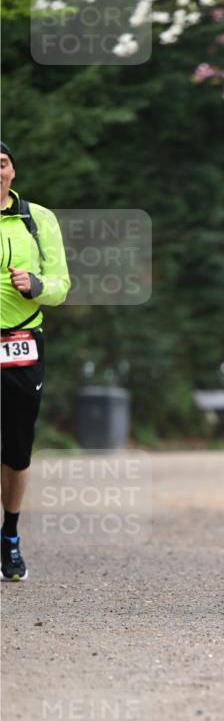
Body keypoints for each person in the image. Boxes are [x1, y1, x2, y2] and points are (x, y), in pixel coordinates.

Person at [1, 141, 70, 581]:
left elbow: (62, 285)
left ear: (12, 171)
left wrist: (36, 284)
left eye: (2, 162)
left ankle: (10, 538)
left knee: (16, 449)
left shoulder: (37, 218)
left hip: (22, 340)